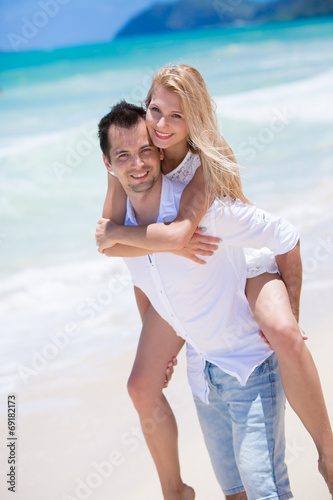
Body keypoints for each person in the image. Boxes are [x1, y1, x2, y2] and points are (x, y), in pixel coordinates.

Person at [96, 66, 333, 500]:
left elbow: (179, 235)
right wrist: (171, 332)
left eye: (176, 116)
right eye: (155, 111)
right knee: (141, 384)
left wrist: (170, 242)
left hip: (246, 262)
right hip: (196, 267)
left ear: (195, 120)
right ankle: (175, 490)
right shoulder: (139, 160)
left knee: (282, 332)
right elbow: (134, 256)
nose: (162, 125)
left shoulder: (201, 167)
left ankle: (328, 452)